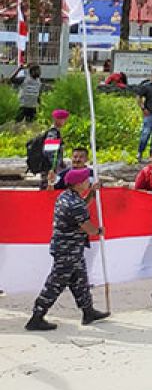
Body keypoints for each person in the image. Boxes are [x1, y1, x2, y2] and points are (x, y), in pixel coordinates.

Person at [25, 168, 109, 331]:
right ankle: (37, 316)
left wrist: (91, 194)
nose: (88, 182)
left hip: (71, 249)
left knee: (80, 281)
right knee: (55, 284)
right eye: (86, 180)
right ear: (78, 184)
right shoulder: (75, 203)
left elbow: (81, 208)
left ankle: (88, 311)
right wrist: (98, 231)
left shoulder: (66, 197)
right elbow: (86, 226)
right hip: (67, 251)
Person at [26, 108, 69, 190]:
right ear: (57, 119)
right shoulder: (53, 133)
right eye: (63, 119)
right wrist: (54, 166)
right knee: (47, 187)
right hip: (49, 168)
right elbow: (50, 151)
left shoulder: (53, 132)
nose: (65, 121)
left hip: (48, 167)